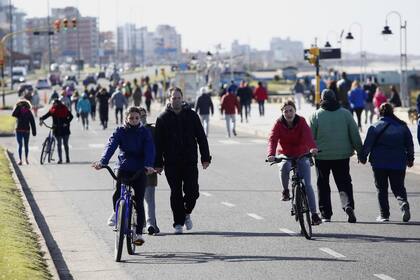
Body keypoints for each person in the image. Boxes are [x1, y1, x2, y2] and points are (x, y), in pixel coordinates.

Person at [92, 106, 155, 245]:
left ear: (140, 119)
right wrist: (102, 162)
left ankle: (138, 233)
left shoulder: (144, 132)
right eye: (131, 118)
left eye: (137, 118)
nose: (134, 120)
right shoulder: (120, 131)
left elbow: (150, 149)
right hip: (123, 166)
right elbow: (111, 146)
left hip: (140, 168)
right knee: (117, 192)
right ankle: (117, 213)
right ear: (126, 118)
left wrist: (149, 165)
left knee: (139, 201)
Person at [154, 87, 211, 234]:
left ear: (182, 98)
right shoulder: (162, 118)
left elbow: (201, 138)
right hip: (171, 162)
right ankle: (178, 223)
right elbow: (158, 143)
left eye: (178, 98)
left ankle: (186, 212)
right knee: (176, 192)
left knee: (193, 191)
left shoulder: (192, 115)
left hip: (190, 160)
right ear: (169, 99)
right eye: (173, 98)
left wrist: (205, 157)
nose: (176, 100)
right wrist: (158, 163)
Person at [310, 89, 362, 223]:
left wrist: (309, 156)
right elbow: (355, 134)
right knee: (344, 182)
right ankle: (348, 205)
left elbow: (310, 138)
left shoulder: (316, 115)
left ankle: (326, 214)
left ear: (322, 99)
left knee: (323, 184)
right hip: (342, 155)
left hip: (322, 156)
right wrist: (361, 153)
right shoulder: (346, 114)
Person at [267, 100, 322, 225]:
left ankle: (314, 214)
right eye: (285, 111)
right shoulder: (278, 123)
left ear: (295, 111)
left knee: (307, 185)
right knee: (283, 166)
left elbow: (308, 136)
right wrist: (271, 154)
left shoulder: (301, 121)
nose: (288, 113)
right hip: (285, 154)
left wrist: (312, 148)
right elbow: (273, 139)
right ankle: (286, 191)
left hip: (301, 154)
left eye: (291, 110)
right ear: (282, 112)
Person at [359, 103, 413, 222]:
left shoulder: (375, 126)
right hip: (398, 162)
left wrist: (362, 157)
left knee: (382, 189)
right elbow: (409, 144)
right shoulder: (402, 126)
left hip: (379, 163)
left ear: (380, 113)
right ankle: (403, 203)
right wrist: (410, 159)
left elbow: (368, 145)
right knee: (398, 187)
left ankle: (384, 215)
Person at [138, 107, 160, 235]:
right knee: (137, 198)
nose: (142, 118)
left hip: (149, 168)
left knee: (149, 198)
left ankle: (151, 224)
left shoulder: (152, 130)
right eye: (139, 116)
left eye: (143, 115)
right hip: (133, 169)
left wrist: (158, 164)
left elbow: (158, 148)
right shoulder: (129, 130)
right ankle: (142, 223)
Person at [40, 99, 73, 164]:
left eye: (55, 103)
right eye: (53, 104)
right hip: (57, 129)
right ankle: (60, 159)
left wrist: (66, 122)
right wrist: (41, 118)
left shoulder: (64, 109)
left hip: (65, 129)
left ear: (58, 104)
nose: (53, 105)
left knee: (65, 144)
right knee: (59, 144)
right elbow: (47, 115)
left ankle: (67, 158)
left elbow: (71, 116)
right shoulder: (53, 110)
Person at [12, 99, 36, 165]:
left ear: (27, 106)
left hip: (26, 131)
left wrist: (34, 131)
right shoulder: (18, 111)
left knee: (25, 145)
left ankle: (26, 159)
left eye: (24, 105)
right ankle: (20, 160)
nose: (23, 107)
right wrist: (18, 107)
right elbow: (13, 114)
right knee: (20, 145)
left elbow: (32, 122)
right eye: (21, 105)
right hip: (19, 130)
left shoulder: (29, 112)